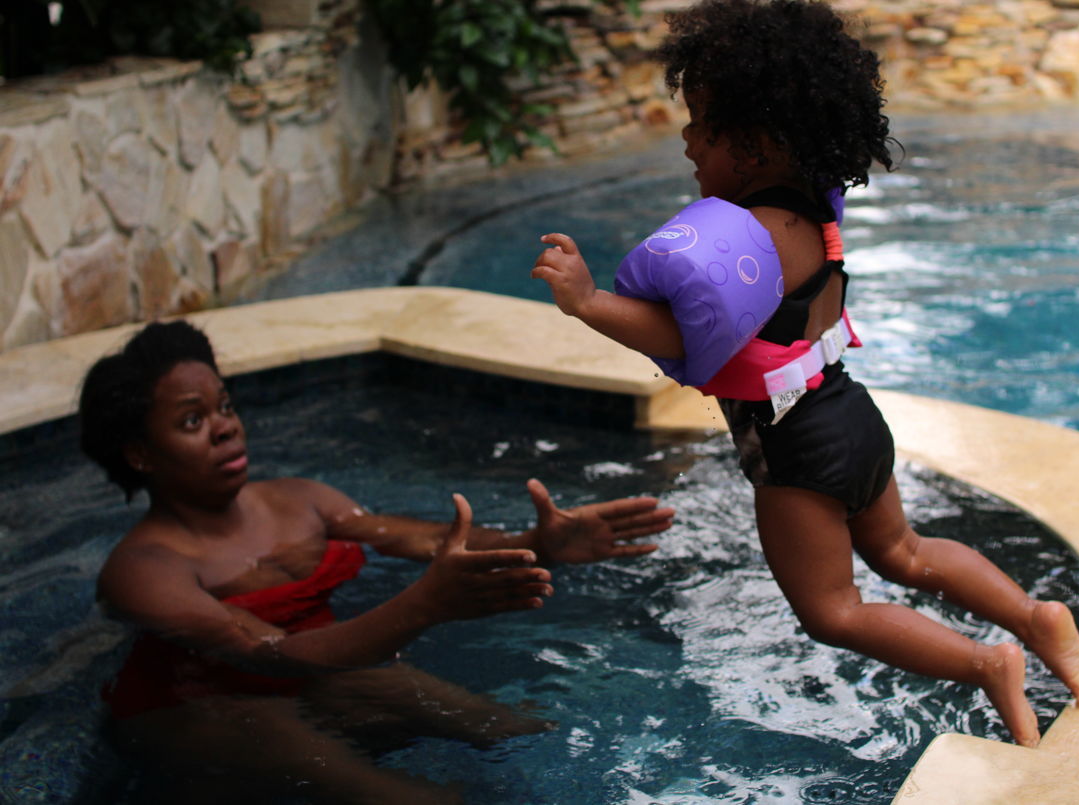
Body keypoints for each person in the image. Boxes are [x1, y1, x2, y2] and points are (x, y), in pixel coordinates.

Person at [531, 0, 1079, 748]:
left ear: (758, 144)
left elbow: (674, 330)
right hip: (851, 415)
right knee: (905, 552)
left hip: (799, 450)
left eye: (702, 128)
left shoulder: (754, 236)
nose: (689, 144)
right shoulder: (817, 212)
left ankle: (987, 663)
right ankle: (1035, 617)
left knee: (833, 611)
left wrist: (590, 300)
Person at [79, 319, 674, 803]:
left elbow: (430, 541)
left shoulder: (302, 500)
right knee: (403, 797)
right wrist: (421, 607)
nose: (225, 429)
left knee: (512, 726)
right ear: (139, 454)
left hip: (324, 670)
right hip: (202, 708)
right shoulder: (144, 569)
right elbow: (269, 653)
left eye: (225, 406)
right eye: (192, 420)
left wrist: (539, 544)